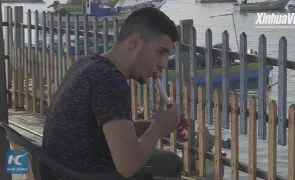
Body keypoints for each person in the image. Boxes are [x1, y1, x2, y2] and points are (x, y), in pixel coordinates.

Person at [41, 7, 188, 180]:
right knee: (171, 163)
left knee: (169, 161)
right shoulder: (109, 80)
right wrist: (158, 127)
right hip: (91, 174)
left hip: (62, 171)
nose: (163, 64)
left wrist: (159, 123)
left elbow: (108, 132)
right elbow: (128, 166)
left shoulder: (87, 64)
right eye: (160, 52)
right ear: (134, 42)